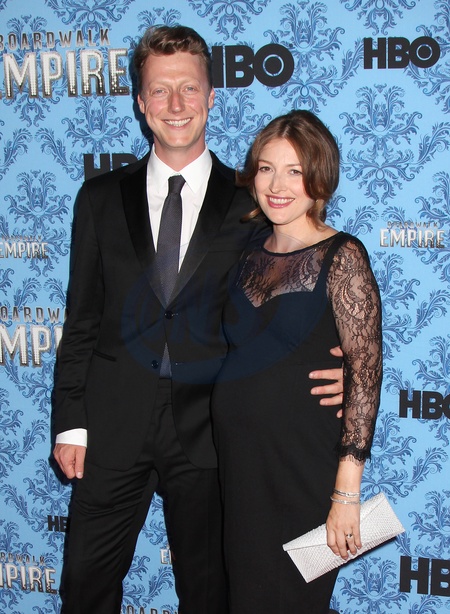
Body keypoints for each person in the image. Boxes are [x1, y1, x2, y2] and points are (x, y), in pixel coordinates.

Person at [52, 26, 344, 614]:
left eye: (189, 88)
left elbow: (303, 282)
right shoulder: (99, 198)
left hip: (213, 431)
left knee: (209, 596)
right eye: (160, 90)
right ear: (141, 101)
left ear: (211, 96)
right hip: (110, 425)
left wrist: (339, 371)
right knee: (84, 587)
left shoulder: (255, 201)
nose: (175, 104)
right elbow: (81, 318)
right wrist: (70, 422)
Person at [211, 110, 383, 613]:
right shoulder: (246, 251)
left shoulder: (343, 256)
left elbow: (366, 372)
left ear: (320, 178)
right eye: (267, 169)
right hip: (241, 463)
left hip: (302, 464)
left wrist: (345, 495)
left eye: (295, 171)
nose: (277, 185)